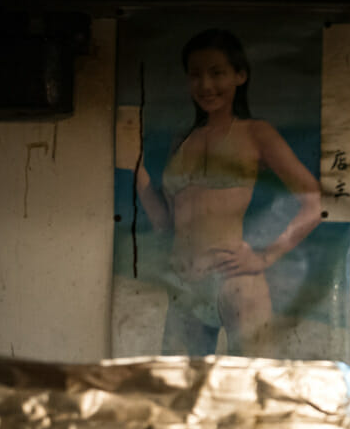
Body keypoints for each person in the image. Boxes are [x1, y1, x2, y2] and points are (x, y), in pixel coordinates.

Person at [134, 28, 322, 357]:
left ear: (240, 75)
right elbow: (165, 222)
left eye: (217, 73)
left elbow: (313, 203)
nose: (205, 85)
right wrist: (136, 171)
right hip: (185, 286)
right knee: (181, 395)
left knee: (251, 391)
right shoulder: (183, 140)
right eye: (195, 75)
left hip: (235, 282)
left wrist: (266, 255)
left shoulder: (256, 133)